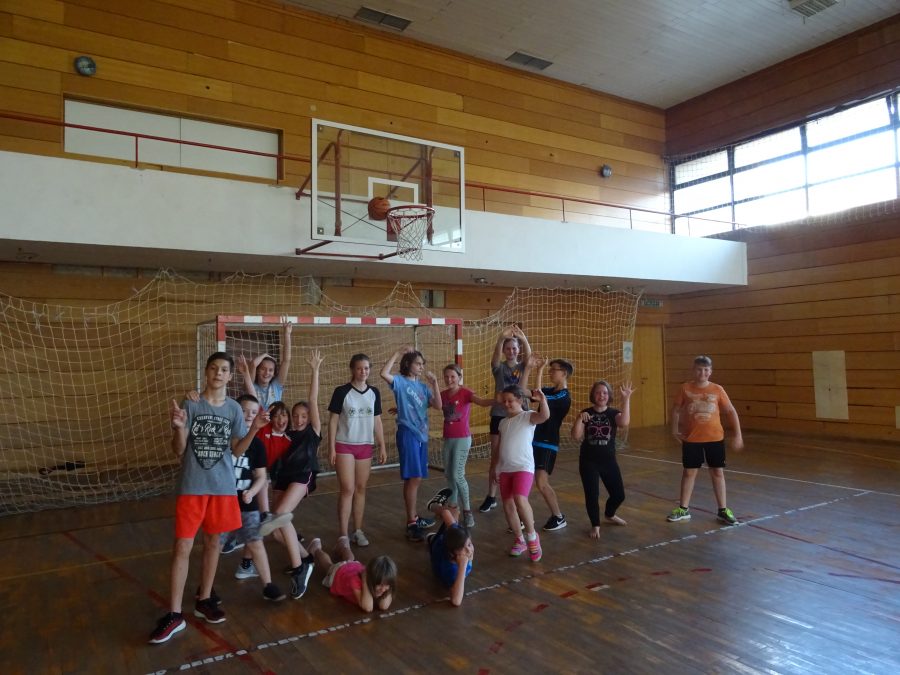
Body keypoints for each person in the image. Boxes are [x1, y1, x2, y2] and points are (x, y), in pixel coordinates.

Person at [149, 352, 268, 645]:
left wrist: (254, 429)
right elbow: (179, 450)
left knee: (214, 543)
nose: (218, 373)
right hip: (192, 486)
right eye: (213, 368)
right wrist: (179, 428)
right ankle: (174, 614)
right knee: (183, 546)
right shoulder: (191, 403)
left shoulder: (234, 409)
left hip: (222, 488)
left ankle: (204, 599)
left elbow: (237, 450)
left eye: (224, 369)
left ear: (230, 376)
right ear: (206, 371)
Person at [254, 349, 324, 600]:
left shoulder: (313, 433)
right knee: (275, 529)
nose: (299, 419)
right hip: (283, 478)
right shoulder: (286, 435)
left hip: (302, 476)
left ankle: (299, 568)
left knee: (282, 514)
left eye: (303, 416)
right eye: (295, 416)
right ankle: (306, 557)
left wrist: (315, 370)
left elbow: (313, 399)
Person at [667, 355, 744, 525]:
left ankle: (723, 510)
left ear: (710, 371)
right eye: (699, 369)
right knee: (689, 472)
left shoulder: (717, 389)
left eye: (705, 370)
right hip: (692, 439)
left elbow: (731, 411)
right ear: (693, 370)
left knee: (717, 472)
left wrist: (738, 434)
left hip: (715, 438)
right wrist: (674, 430)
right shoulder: (685, 388)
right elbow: (676, 409)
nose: (702, 373)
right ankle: (683, 509)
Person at [226, 394, 286, 601]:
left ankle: (268, 585)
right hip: (223, 501)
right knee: (214, 546)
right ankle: (205, 590)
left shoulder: (258, 446)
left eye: (253, 412)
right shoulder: (225, 439)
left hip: (246, 502)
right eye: (244, 411)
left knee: (255, 541)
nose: (248, 415)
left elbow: (261, 477)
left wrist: (252, 491)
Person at [380, 346, 442, 542]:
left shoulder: (423, 387)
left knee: (415, 478)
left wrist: (435, 384)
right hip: (408, 433)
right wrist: (398, 353)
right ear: (408, 364)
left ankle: (413, 517)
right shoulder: (400, 382)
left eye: (423, 364)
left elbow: (438, 405)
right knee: (414, 478)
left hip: (422, 436)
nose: (421, 367)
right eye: (418, 363)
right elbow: (384, 373)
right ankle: (411, 522)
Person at [328, 353, 387, 549]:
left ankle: (358, 530)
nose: (363, 372)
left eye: (366, 368)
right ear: (352, 369)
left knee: (361, 488)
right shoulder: (341, 392)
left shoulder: (374, 392)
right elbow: (333, 421)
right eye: (360, 368)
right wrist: (331, 448)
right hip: (344, 445)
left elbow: (377, 420)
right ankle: (343, 534)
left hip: (365, 446)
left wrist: (382, 444)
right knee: (347, 489)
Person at [491, 385, 549, 562]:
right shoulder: (503, 423)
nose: (507, 404)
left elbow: (544, 416)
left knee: (520, 499)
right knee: (508, 504)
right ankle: (519, 539)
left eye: (511, 401)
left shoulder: (527, 416)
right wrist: (496, 467)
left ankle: (532, 537)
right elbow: (500, 448)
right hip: (506, 468)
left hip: (523, 467)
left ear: (520, 400)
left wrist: (543, 401)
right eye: (504, 401)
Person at [571, 380, 633, 539]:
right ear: (593, 395)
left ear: (609, 395)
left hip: (608, 461)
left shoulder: (613, 414)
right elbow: (576, 436)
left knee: (619, 495)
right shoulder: (586, 413)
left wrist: (626, 399)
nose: (601, 395)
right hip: (588, 461)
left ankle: (610, 514)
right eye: (598, 392)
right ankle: (595, 525)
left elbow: (624, 423)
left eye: (605, 392)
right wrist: (579, 419)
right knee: (592, 495)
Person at [479, 325, 531, 513]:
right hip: (499, 414)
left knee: (517, 453)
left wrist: (523, 339)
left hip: (519, 416)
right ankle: (491, 496)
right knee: (496, 455)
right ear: (504, 350)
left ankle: (519, 493)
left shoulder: (522, 366)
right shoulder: (499, 368)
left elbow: (529, 357)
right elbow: (494, 359)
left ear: (518, 350)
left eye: (514, 348)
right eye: (507, 348)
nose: (511, 351)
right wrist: (501, 338)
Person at [440, 364, 493, 529]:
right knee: (449, 474)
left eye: (453, 376)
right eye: (446, 376)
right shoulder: (443, 395)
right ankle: (453, 506)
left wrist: (499, 400)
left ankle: (467, 511)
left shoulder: (466, 393)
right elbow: (425, 404)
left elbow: (482, 402)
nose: (449, 379)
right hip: (448, 439)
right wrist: (403, 409)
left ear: (459, 377)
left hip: (462, 439)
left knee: (457, 474)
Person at [531, 357, 574, 531]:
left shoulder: (563, 396)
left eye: (553, 369)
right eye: (549, 369)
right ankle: (522, 517)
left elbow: (538, 397)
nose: (550, 372)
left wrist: (539, 370)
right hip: (535, 439)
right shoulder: (550, 390)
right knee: (526, 479)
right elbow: (534, 393)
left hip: (547, 443)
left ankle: (558, 516)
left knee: (541, 482)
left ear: (564, 373)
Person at [306, 537, 396, 612]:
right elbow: (368, 608)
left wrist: (388, 587)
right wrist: (365, 581)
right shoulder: (357, 581)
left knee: (350, 559)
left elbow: (384, 606)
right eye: (380, 585)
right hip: (339, 573)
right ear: (369, 578)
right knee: (328, 566)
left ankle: (343, 546)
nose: (383, 589)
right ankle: (316, 549)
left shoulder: (381, 582)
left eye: (387, 585)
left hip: (354, 567)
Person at [424, 488, 474, 607]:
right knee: (450, 515)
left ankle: (433, 505)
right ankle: (432, 538)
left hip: (443, 540)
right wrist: (463, 566)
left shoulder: (458, 543)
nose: (469, 550)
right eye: (463, 548)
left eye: (469, 544)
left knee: (452, 512)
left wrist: (437, 508)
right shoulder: (451, 570)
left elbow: (446, 514)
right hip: (438, 544)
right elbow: (456, 601)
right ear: (452, 553)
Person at [238, 320, 293, 409]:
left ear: (274, 373)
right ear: (257, 371)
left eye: (271, 370)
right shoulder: (251, 385)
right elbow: (253, 364)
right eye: (263, 369)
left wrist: (287, 334)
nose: (267, 373)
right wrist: (264, 355)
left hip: (275, 418)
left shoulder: (276, 385)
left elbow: (286, 360)